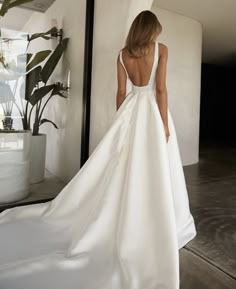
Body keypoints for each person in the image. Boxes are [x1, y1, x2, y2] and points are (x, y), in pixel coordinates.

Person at [0, 10, 197, 289]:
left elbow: (120, 92)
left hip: (131, 109)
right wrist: (164, 125)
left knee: (126, 166)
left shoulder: (122, 55)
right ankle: (164, 221)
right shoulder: (160, 49)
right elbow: (161, 90)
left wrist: (123, 121)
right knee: (157, 167)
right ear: (152, 30)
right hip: (152, 112)